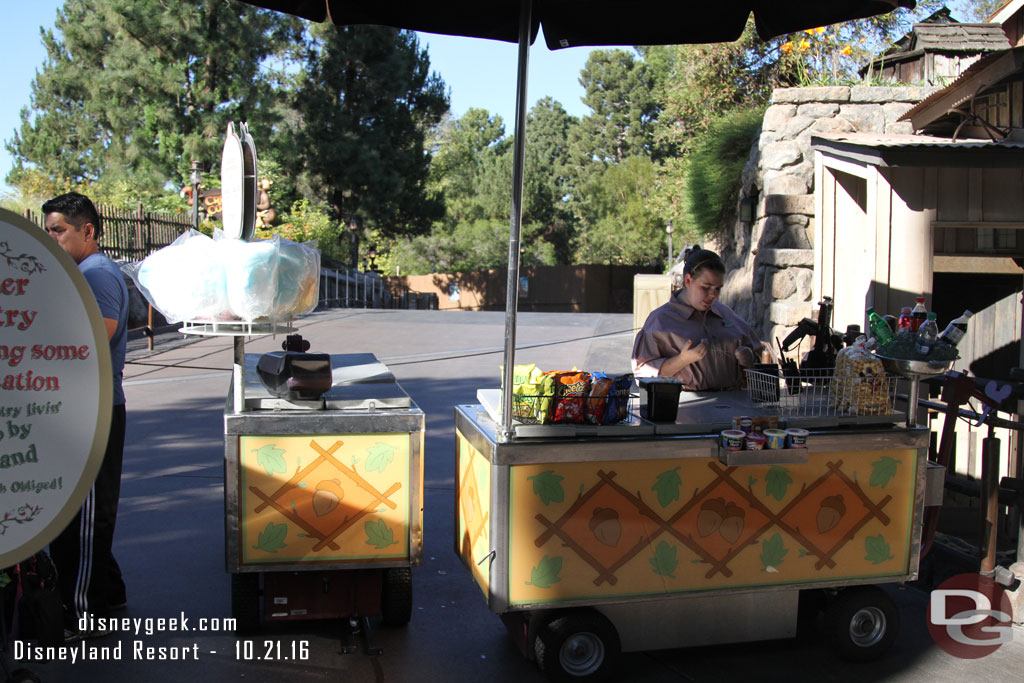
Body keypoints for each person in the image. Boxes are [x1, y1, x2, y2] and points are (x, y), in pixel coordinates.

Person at [43, 192, 129, 640]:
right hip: (85, 409)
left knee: (85, 518)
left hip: (95, 411)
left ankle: (83, 614)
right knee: (83, 514)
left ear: (88, 231)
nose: (51, 238)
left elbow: (92, 338)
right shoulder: (82, 274)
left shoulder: (95, 275)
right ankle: (109, 594)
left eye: (58, 230)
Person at [632, 248, 761, 391]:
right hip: (685, 406)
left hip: (733, 403)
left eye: (718, 289)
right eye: (706, 288)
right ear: (688, 280)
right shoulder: (660, 321)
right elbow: (643, 375)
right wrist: (683, 360)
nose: (713, 296)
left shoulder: (725, 313)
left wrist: (750, 359)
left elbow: (760, 359)